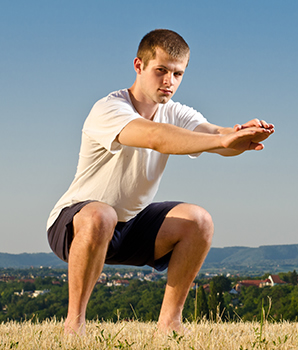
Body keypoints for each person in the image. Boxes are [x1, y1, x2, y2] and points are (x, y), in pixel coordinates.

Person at [46, 29, 274, 335]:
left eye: (178, 74)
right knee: (102, 214)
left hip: (129, 225)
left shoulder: (176, 112)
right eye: (161, 71)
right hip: (78, 224)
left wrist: (241, 138)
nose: (169, 81)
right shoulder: (109, 108)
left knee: (199, 221)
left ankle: (169, 326)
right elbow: (155, 138)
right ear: (139, 66)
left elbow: (216, 137)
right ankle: (74, 327)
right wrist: (223, 140)